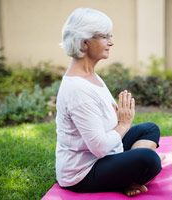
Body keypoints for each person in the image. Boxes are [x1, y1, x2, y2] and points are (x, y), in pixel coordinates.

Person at [55, 8, 163, 197]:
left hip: (107, 153)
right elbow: (99, 148)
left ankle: (128, 178)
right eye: (105, 36)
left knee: (149, 129)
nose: (111, 42)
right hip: (83, 172)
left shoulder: (91, 75)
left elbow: (103, 123)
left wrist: (115, 117)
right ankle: (129, 177)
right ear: (85, 42)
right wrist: (123, 124)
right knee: (149, 159)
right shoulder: (77, 89)